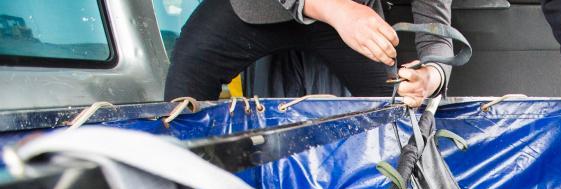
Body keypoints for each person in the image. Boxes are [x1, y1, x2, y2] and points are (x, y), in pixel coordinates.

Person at [165, 0, 452, 108]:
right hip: (258, 8)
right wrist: (336, 9)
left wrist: (431, 77)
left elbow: (437, 31)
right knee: (185, 82)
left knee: (395, 109)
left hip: (352, 17)